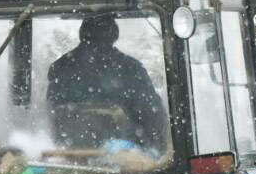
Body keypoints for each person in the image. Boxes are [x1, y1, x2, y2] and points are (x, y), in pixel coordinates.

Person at [46, 14, 169, 152]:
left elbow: (50, 116)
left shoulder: (60, 67)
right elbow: (153, 117)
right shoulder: (131, 68)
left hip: (65, 159)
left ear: (82, 34)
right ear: (114, 34)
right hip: (125, 164)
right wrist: (153, 151)